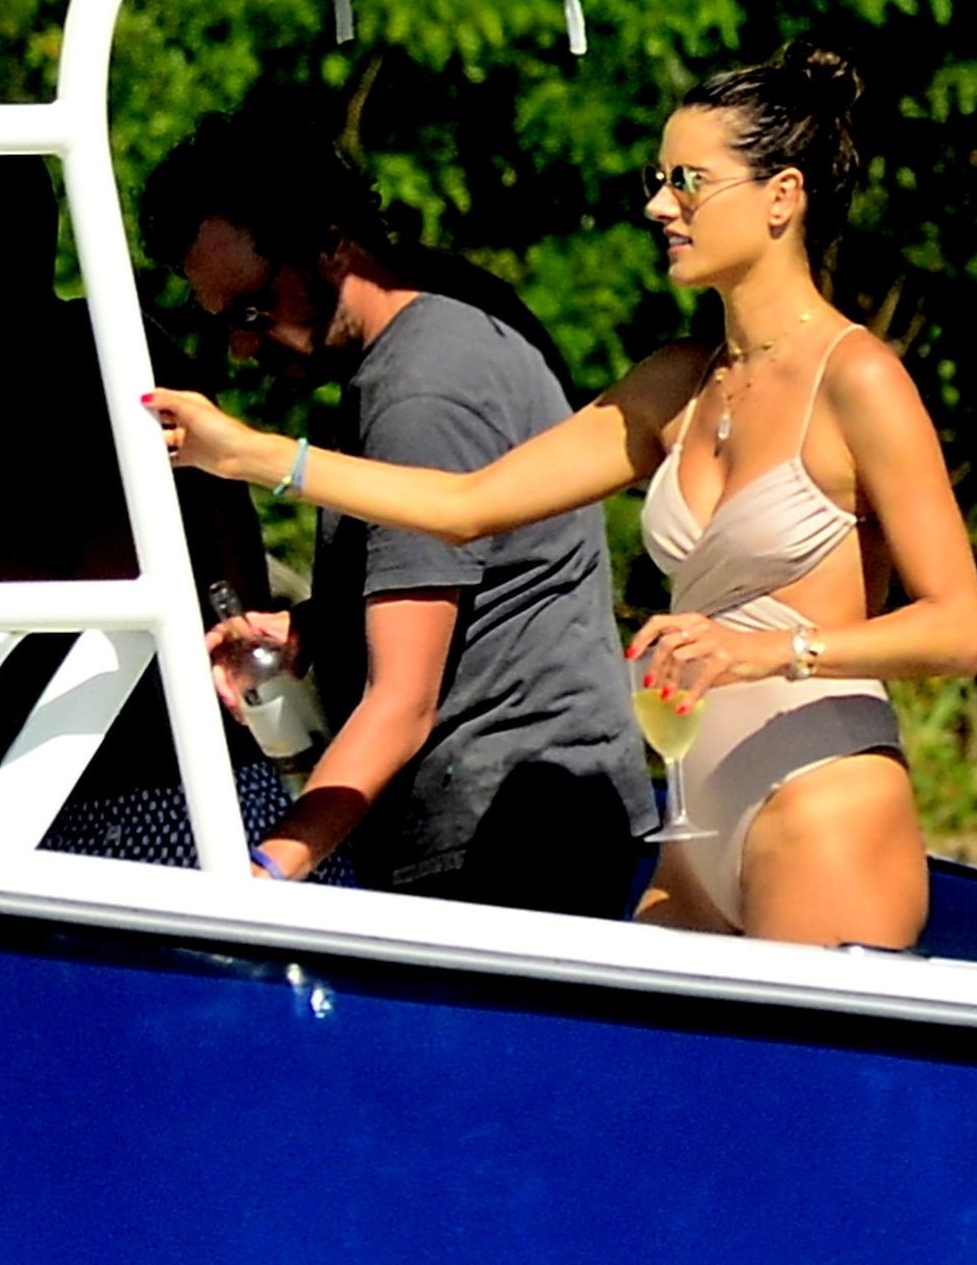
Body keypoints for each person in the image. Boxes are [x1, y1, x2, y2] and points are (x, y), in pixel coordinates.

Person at [146, 40, 977, 946]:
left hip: (820, 796)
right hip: (695, 817)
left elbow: (957, 631)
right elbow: (468, 505)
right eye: (657, 180)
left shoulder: (858, 377)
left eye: (689, 183)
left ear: (782, 196)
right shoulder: (678, 379)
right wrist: (255, 456)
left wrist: (765, 650)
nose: (658, 206)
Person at [137, 115, 656, 911]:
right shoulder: (439, 323)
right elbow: (484, 579)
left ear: (330, 245)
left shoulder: (421, 392)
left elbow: (403, 705)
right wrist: (315, 626)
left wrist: (263, 872)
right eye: (224, 326)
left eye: (253, 312)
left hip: (504, 843)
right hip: (532, 814)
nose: (242, 348)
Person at [0, 153, 316, 871]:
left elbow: (118, 583)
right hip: (141, 785)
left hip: (149, 799)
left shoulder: (85, 370)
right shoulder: (77, 366)